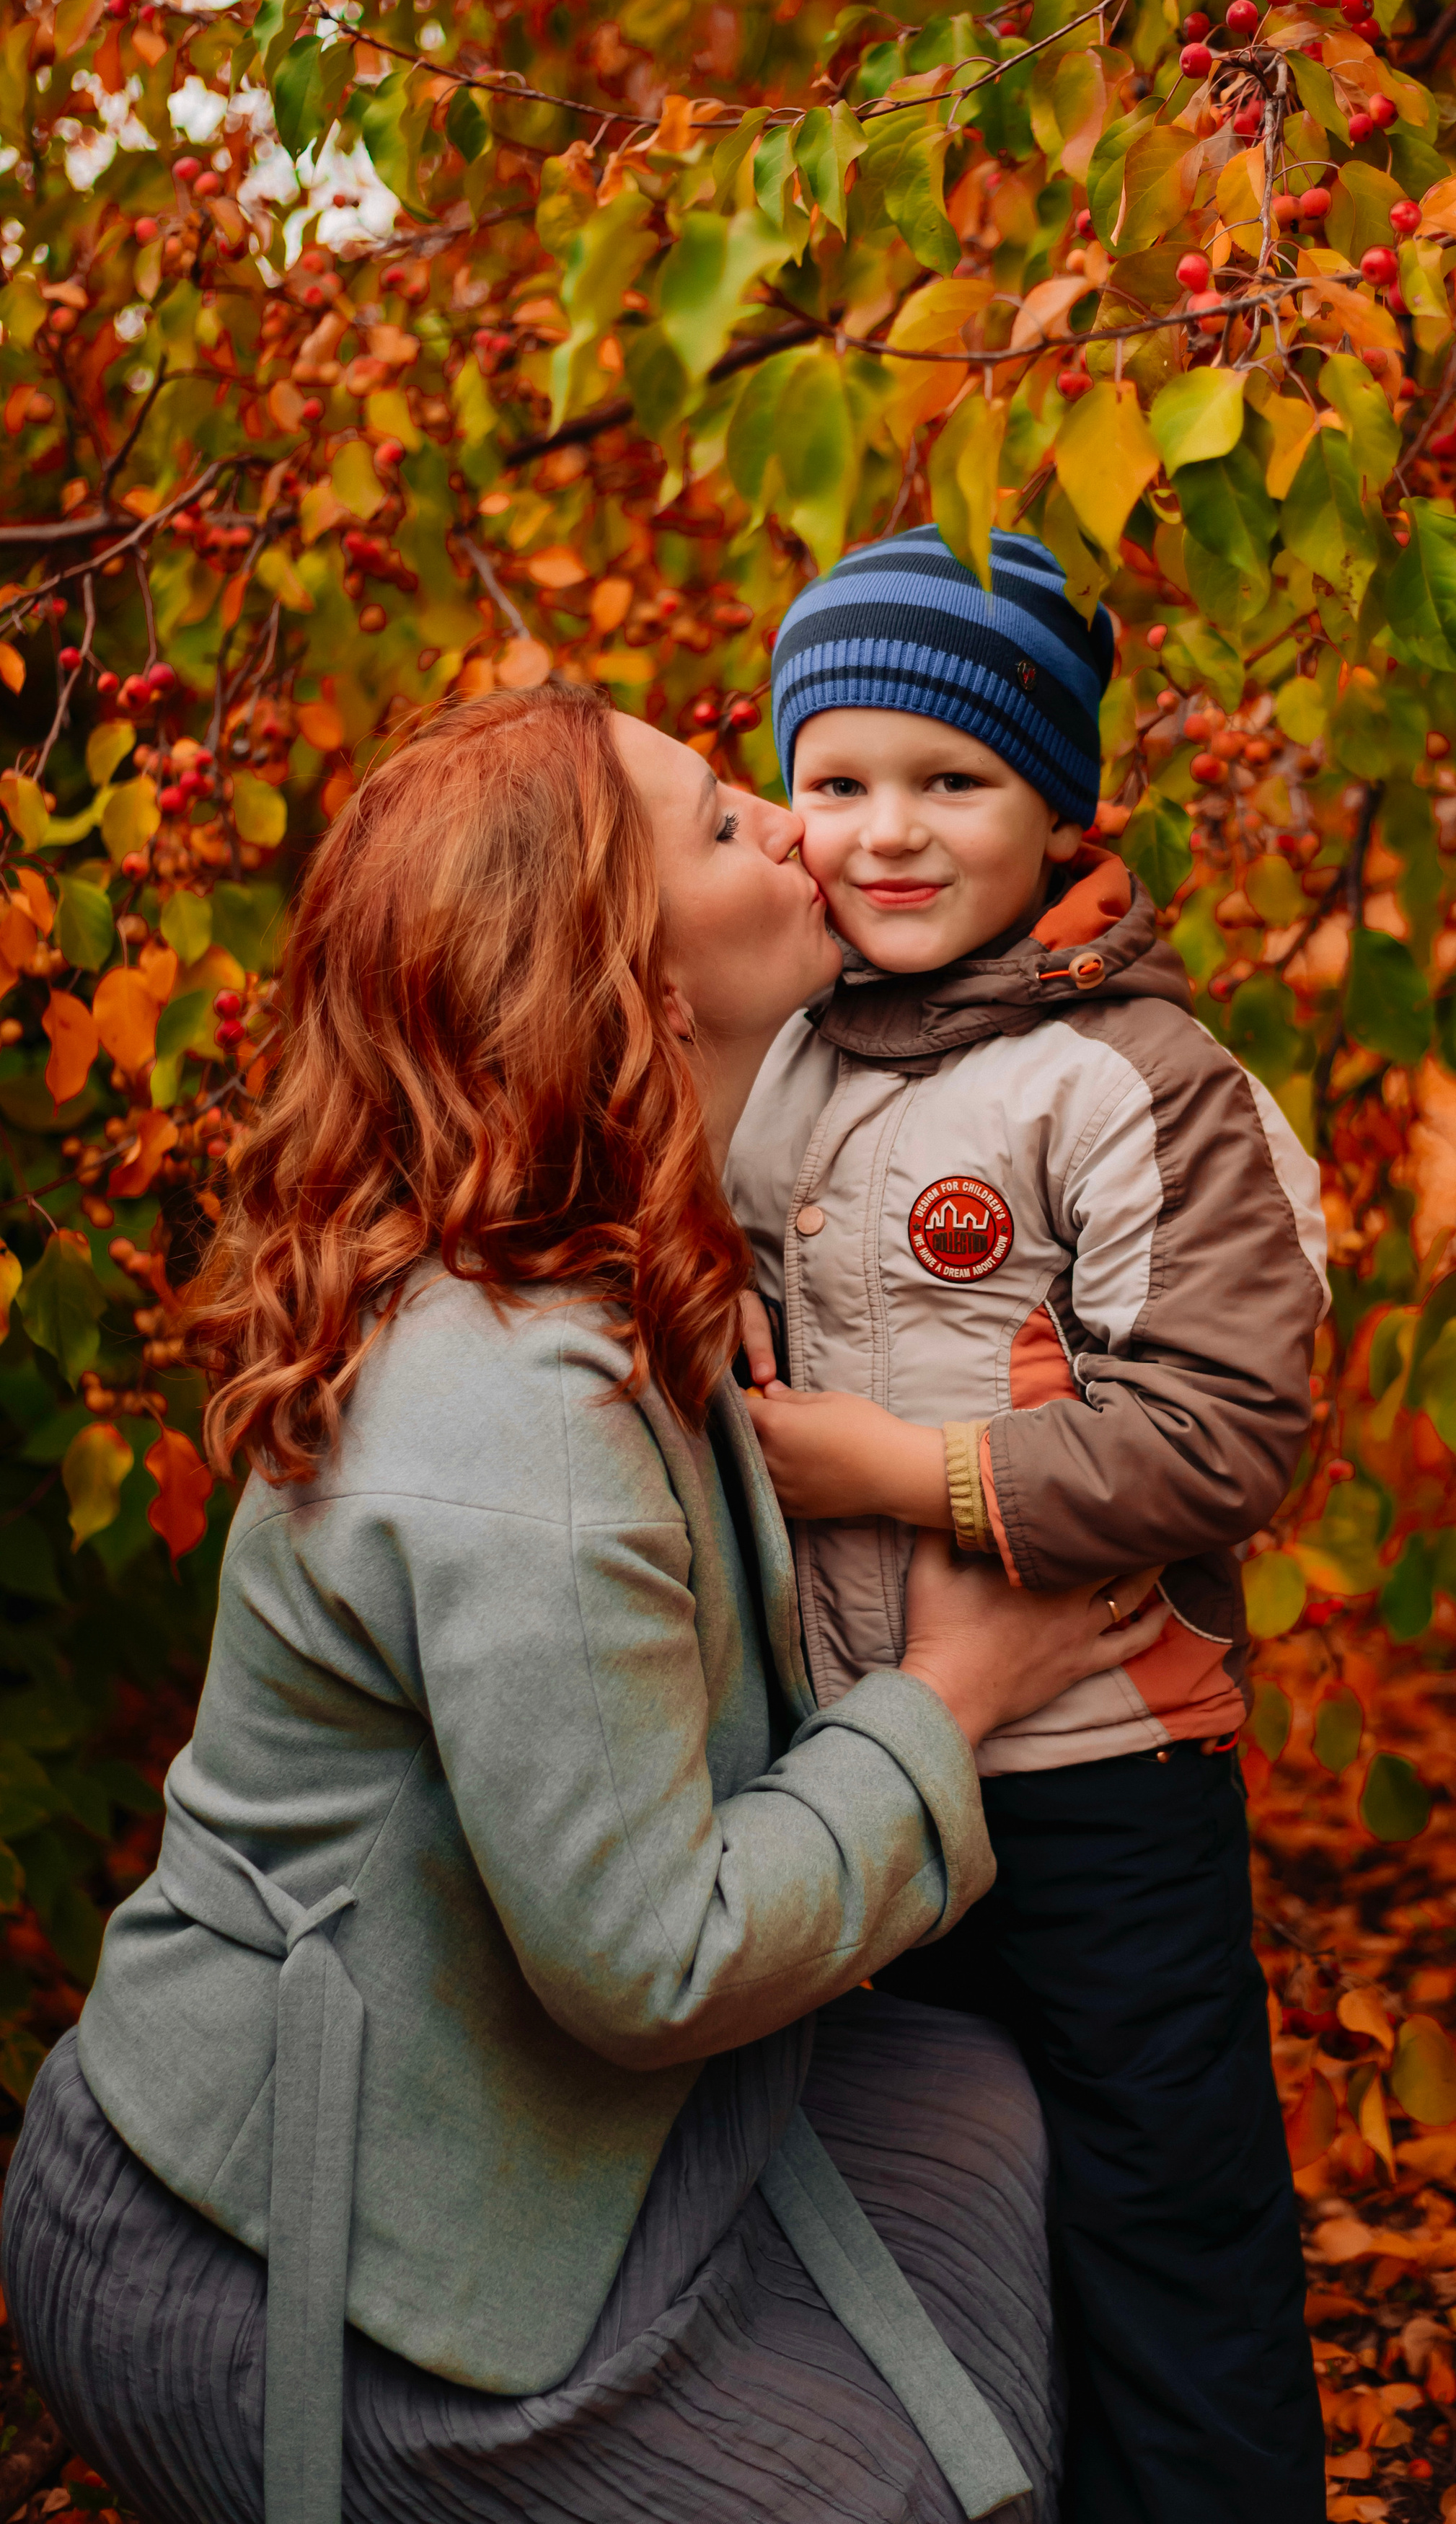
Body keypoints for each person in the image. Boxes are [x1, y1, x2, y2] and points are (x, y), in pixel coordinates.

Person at [1, 680, 1167, 2524]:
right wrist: (950, 1692)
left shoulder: (615, 1259)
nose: (791, 825)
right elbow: (653, 1959)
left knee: (953, 2115)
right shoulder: (516, 1417)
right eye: (719, 826)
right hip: (260, 2247)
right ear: (617, 982)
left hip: (484, 2110)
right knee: (854, 2490)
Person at [728, 526, 1332, 2524]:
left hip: (1093, 1782)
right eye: (838, 784)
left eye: (951, 781)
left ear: (1060, 799)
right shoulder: (787, 1060)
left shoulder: (1134, 1080)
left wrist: (903, 1477)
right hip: (861, 1771)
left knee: (1162, 2225)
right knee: (930, 2228)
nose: (885, 834)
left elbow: (1229, 1425)